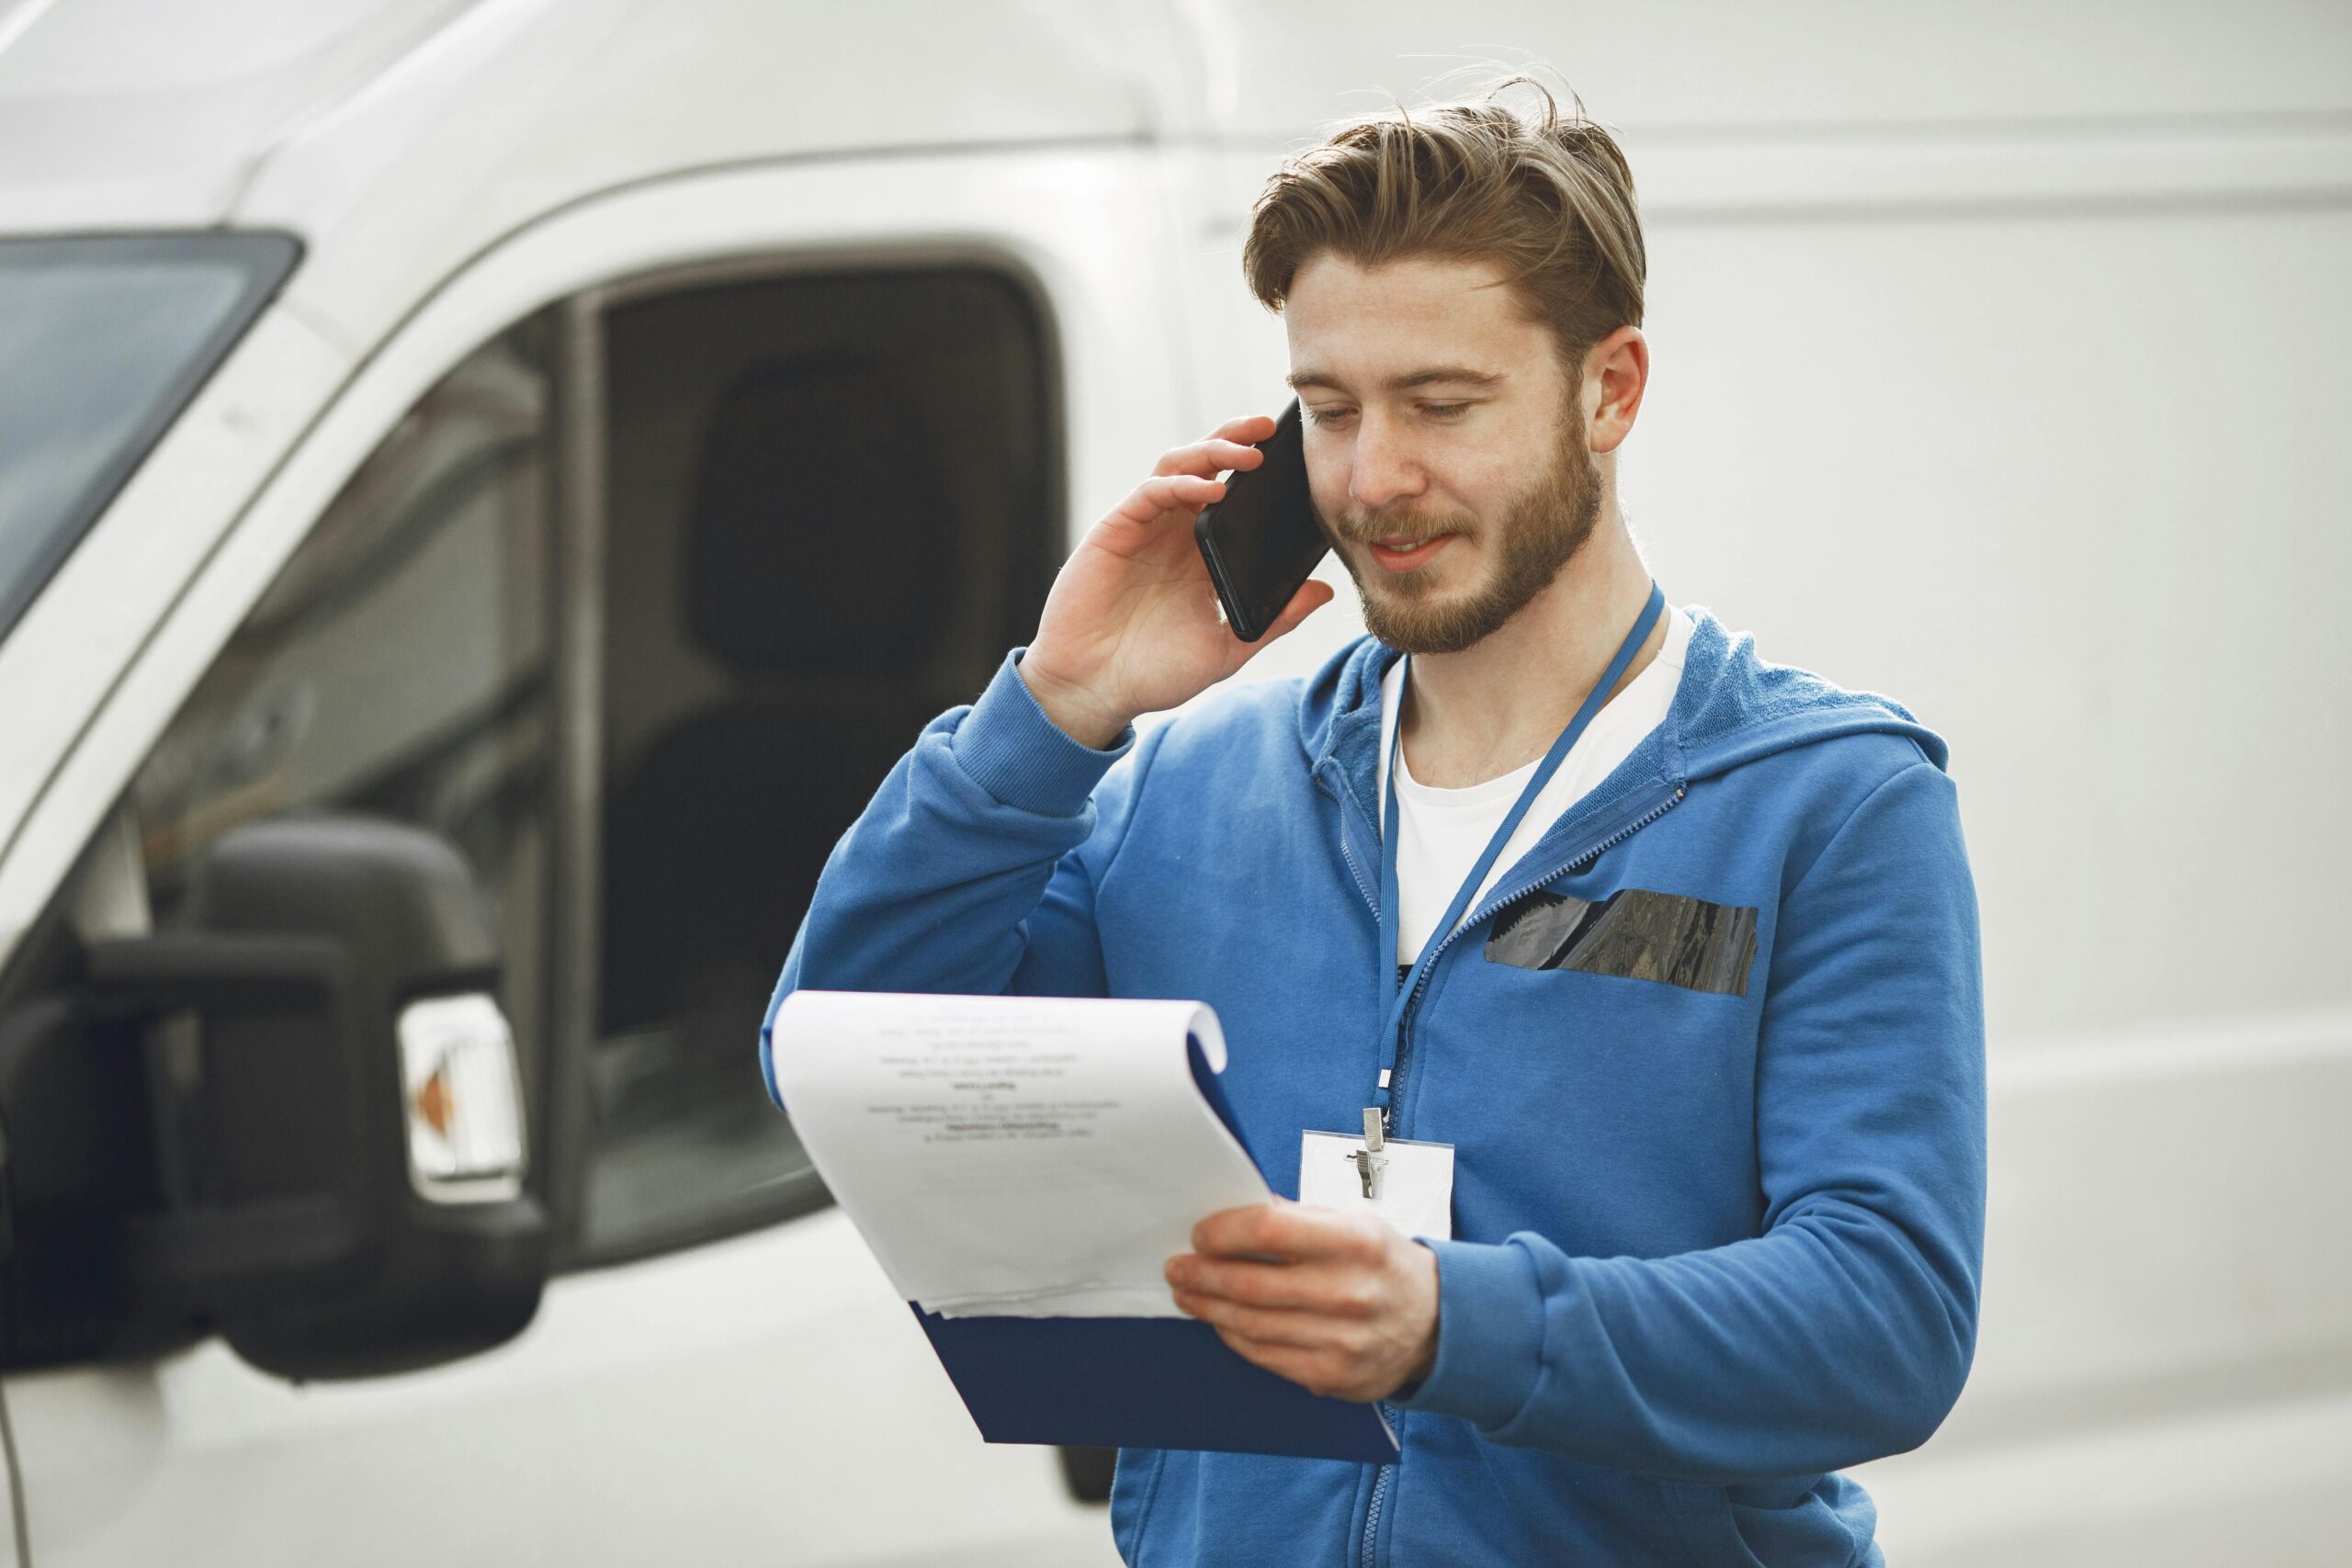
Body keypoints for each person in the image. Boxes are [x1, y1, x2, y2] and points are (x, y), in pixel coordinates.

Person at [761, 79, 1984, 1568]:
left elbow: (1885, 1321)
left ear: (1612, 390)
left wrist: (1446, 1321)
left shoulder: (1829, 803)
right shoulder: (1187, 785)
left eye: (1442, 406)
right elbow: (849, 1051)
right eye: (1329, 410)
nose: (1371, 478)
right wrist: (1055, 708)